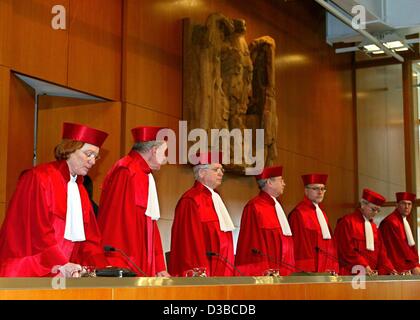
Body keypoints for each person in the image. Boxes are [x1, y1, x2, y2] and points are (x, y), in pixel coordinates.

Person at [0, 122, 109, 277]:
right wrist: (61, 263)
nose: (92, 161)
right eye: (88, 154)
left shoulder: (80, 190)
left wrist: (100, 269)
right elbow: (37, 232)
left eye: (96, 157)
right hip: (31, 269)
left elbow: (90, 239)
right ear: (69, 150)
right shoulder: (39, 177)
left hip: (60, 271)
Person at [97, 126, 170, 277]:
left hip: (140, 259)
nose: (166, 159)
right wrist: (119, 266)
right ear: (154, 150)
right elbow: (115, 225)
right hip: (126, 263)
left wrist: (159, 266)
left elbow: (151, 222)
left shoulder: (145, 173)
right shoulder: (126, 171)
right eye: (165, 152)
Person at [168, 151, 235, 277]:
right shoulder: (191, 200)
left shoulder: (216, 197)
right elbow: (189, 245)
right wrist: (199, 275)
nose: (221, 173)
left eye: (222, 169)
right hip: (203, 275)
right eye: (216, 169)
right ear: (201, 172)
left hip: (221, 273)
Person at [235, 166, 295, 276]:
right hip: (266, 273)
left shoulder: (277, 205)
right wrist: (264, 271)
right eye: (281, 180)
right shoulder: (254, 206)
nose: (284, 183)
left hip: (283, 269)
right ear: (269, 183)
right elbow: (251, 245)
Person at [334, 188, 397, 275]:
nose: (375, 213)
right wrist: (363, 265)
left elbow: (382, 253)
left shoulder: (374, 227)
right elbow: (346, 250)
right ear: (363, 204)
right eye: (373, 209)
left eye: (378, 210)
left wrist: (390, 269)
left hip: (369, 273)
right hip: (351, 272)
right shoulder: (347, 222)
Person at [288, 174, 338, 274]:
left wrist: (333, 265)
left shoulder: (322, 213)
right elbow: (300, 246)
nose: (320, 192)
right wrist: (306, 270)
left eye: (322, 189)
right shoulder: (299, 213)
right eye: (315, 188)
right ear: (306, 191)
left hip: (326, 267)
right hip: (311, 270)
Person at [379, 192, 420, 275]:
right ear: (397, 205)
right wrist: (413, 266)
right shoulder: (391, 222)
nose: (407, 207)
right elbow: (399, 248)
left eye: (409, 204)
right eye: (403, 203)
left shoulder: (403, 220)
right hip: (394, 267)